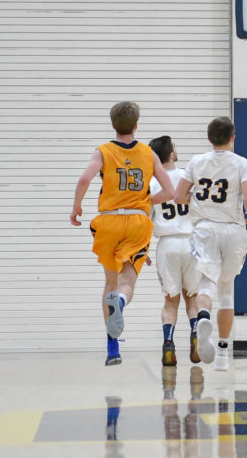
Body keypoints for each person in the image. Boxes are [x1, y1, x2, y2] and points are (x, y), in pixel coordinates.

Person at [70, 101, 175, 366]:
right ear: (136, 125)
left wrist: (76, 207)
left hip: (108, 221)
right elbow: (170, 192)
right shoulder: (148, 153)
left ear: (113, 125)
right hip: (137, 222)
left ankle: (112, 348)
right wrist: (144, 202)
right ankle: (121, 302)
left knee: (110, 283)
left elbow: (84, 179)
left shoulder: (103, 151)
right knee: (127, 282)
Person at [175, 117, 247, 371]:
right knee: (227, 289)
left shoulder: (196, 161)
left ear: (209, 138)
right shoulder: (243, 163)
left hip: (205, 229)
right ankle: (222, 353)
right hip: (233, 230)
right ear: (233, 138)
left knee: (206, 283)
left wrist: (198, 201)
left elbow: (179, 196)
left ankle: (202, 318)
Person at [149, 135, 201, 367]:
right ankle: (196, 334)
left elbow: (146, 220)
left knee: (171, 301)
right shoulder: (187, 178)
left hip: (167, 244)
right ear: (171, 154)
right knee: (192, 297)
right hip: (191, 242)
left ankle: (168, 343)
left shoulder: (151, 183)